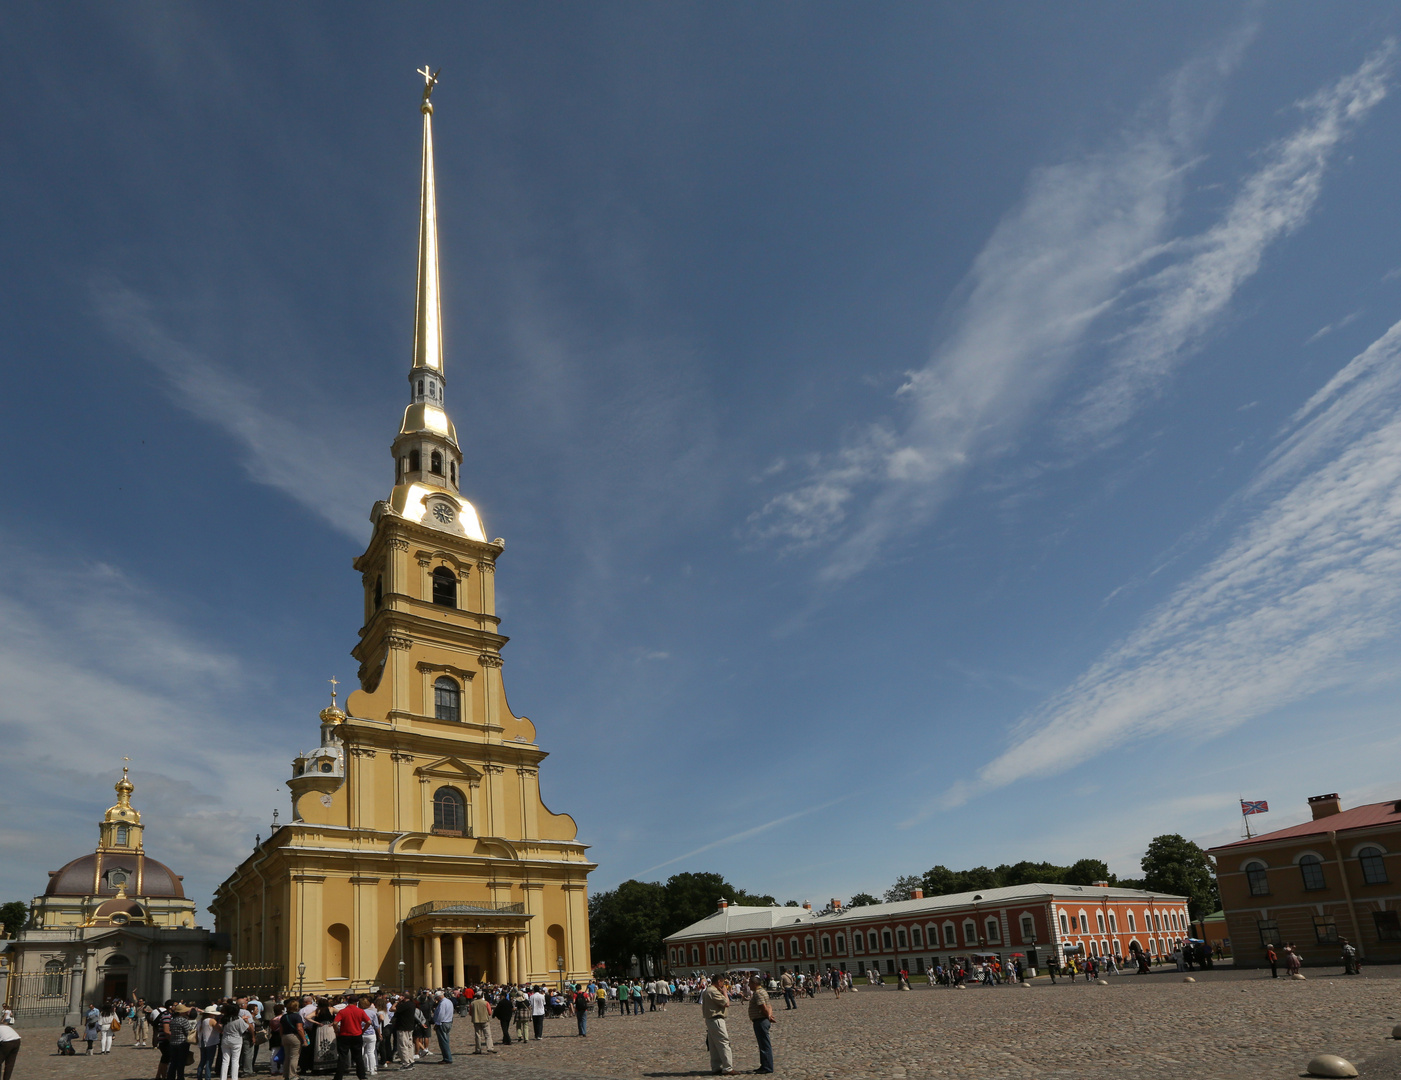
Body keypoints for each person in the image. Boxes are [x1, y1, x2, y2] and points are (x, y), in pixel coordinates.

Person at [331, 995, 370, 1080]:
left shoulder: (343, 1011)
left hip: (345, 1035)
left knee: (342, 1057)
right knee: (358, 1056)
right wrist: (363, 1030)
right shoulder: (360, 1011)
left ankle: (338, 1077)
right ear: (357, 1002)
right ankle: (361, 1075)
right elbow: (369, 1022)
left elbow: (335, 1023)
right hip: (357, 1034)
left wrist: (336, 1031)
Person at [701, 974, 733, 1076]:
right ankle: (728, 1067)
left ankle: (716, 1067)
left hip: (710, 1019)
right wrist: (725, 992)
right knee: (724, 1042)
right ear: (719, 981)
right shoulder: (713, 991)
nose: (723, 985)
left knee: (713, 1044)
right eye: (722, 982)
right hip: (716, 1019)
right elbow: (726, 1003)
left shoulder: (707, 990)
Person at [747, 976, 774, 1075]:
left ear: (754, 983)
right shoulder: (763, 991)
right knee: (763, 1044)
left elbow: (762, 1006)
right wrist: (769, 1016)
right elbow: (769, 1005)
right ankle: (764, 1064)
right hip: (763, 1019)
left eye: (750, 983)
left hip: (760, 1020)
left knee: (764, 1044)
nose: (749, 985)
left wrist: (767, 1015)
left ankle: (767, 1066)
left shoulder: (758, 993)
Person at [219, 1003, 251, 1080]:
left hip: (225, 1040)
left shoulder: (224, 1019)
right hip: (236, 1041)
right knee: (235, 1061)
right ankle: (234, 1078)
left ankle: (223, 1078)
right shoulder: (238, 1019)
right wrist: (246, 1021)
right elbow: (246, 1028)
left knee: (225, 1061)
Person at [165, 1004, 194, 1080]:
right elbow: (188, 1031)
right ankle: (180, 1077)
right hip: (182, 1043)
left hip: (173, 1042)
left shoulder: (173, 1020)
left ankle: (170, 1077)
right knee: (181, 1063)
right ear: (181, 1012)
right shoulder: (183, 1020)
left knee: (173, 1062)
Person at [279, 999, 305, 1080]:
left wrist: (282, 1038)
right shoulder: (297, 1016)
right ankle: (292, 1075)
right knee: (294, 1057)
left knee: (287, 1057)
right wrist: (304, 1039)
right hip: (294, 1037)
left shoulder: (284, 1016)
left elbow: (281, 1029)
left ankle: (286, 1074)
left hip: (285, 1036)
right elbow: (299, 1028)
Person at [391, 996, 417, 1070]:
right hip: (410, 1027)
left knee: (402, 1046)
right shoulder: (412, 1004)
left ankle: (406, 1063)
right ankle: (411, 1060)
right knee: (409, 1045)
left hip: (403, 1028)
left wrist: (396, 1002)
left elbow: (391, 1009)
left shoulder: (405, 1005)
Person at [196, 1007, 221, 1080]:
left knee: (202, 1061)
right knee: (209, 1061)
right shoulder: (211, 1020)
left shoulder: (200, 1021)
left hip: (202, 1042)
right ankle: (207, 1077)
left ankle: (199, 1076)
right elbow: (219, 1029)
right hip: (210, 1042)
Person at [430, 992, 454, 1065]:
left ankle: (447, 1058)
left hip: (442, 1023)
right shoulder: (449, 1001)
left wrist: (437, 1023)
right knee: (446, 1040)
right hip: (448, 1022)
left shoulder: (442, 1003)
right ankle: (447, 1057)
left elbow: (441, 1014)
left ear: (439, 997)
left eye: (436, 998)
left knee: (443, 1042)